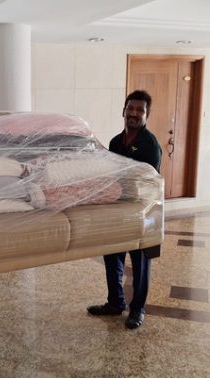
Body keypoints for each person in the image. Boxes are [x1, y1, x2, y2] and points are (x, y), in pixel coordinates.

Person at [87, 90, 162, 329]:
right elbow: (111, 176)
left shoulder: (149, 145)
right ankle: (115, 303)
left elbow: (145, 181)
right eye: (131, 108)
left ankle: (137, 309)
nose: (134, 113)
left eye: (140, 110)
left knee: (140, 262)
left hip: (141, 211)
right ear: (124, 111)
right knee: (112, 255)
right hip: (117, 209)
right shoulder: (115, 142)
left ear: (147, 115)